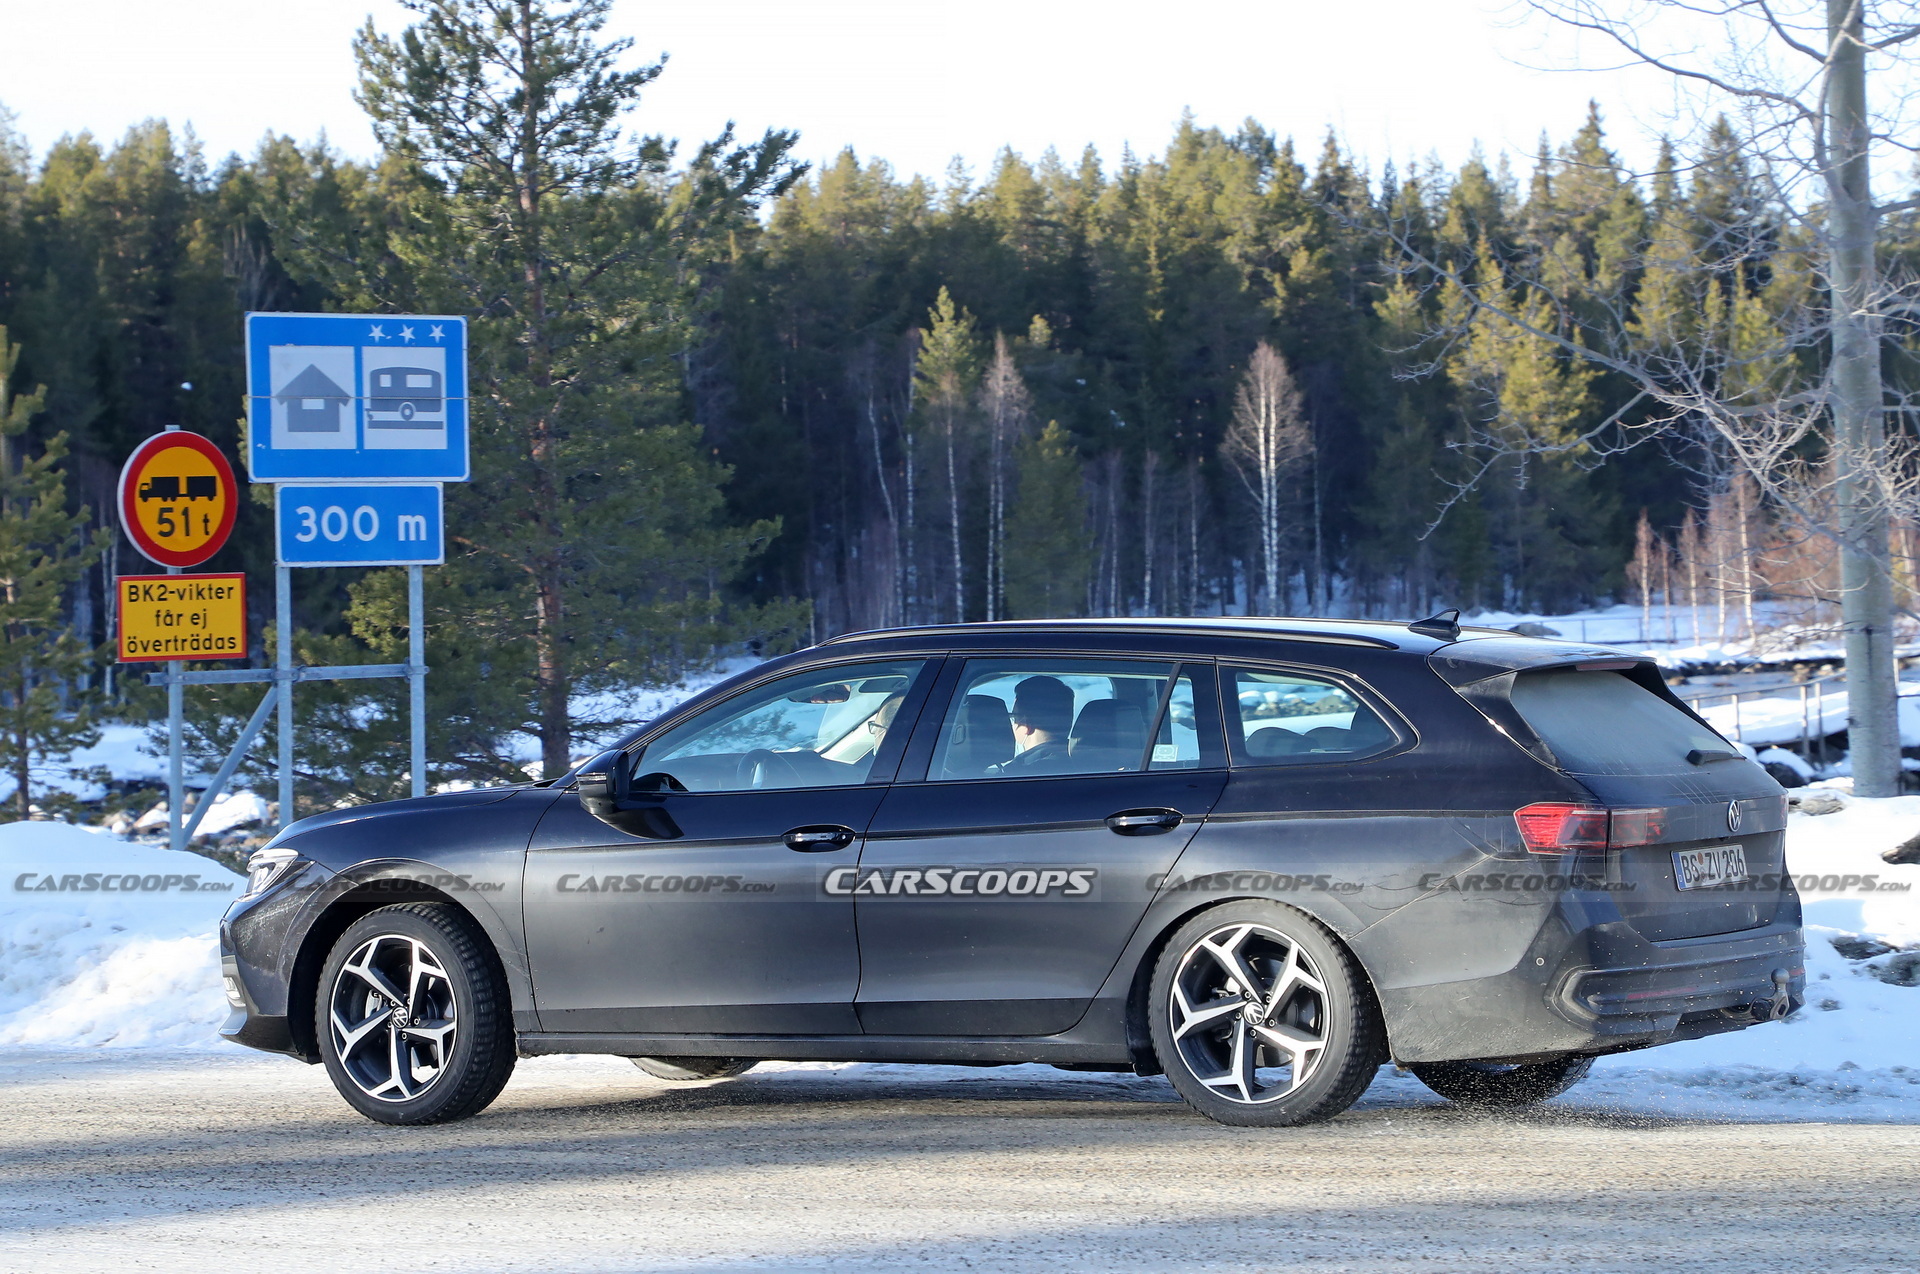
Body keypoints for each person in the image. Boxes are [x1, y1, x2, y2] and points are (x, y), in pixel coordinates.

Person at [989, 676, 1075, 775]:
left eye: (1013, 717)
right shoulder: (1083, 763)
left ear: (1025, 723)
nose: (1012, 723)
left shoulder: (1017, 774)